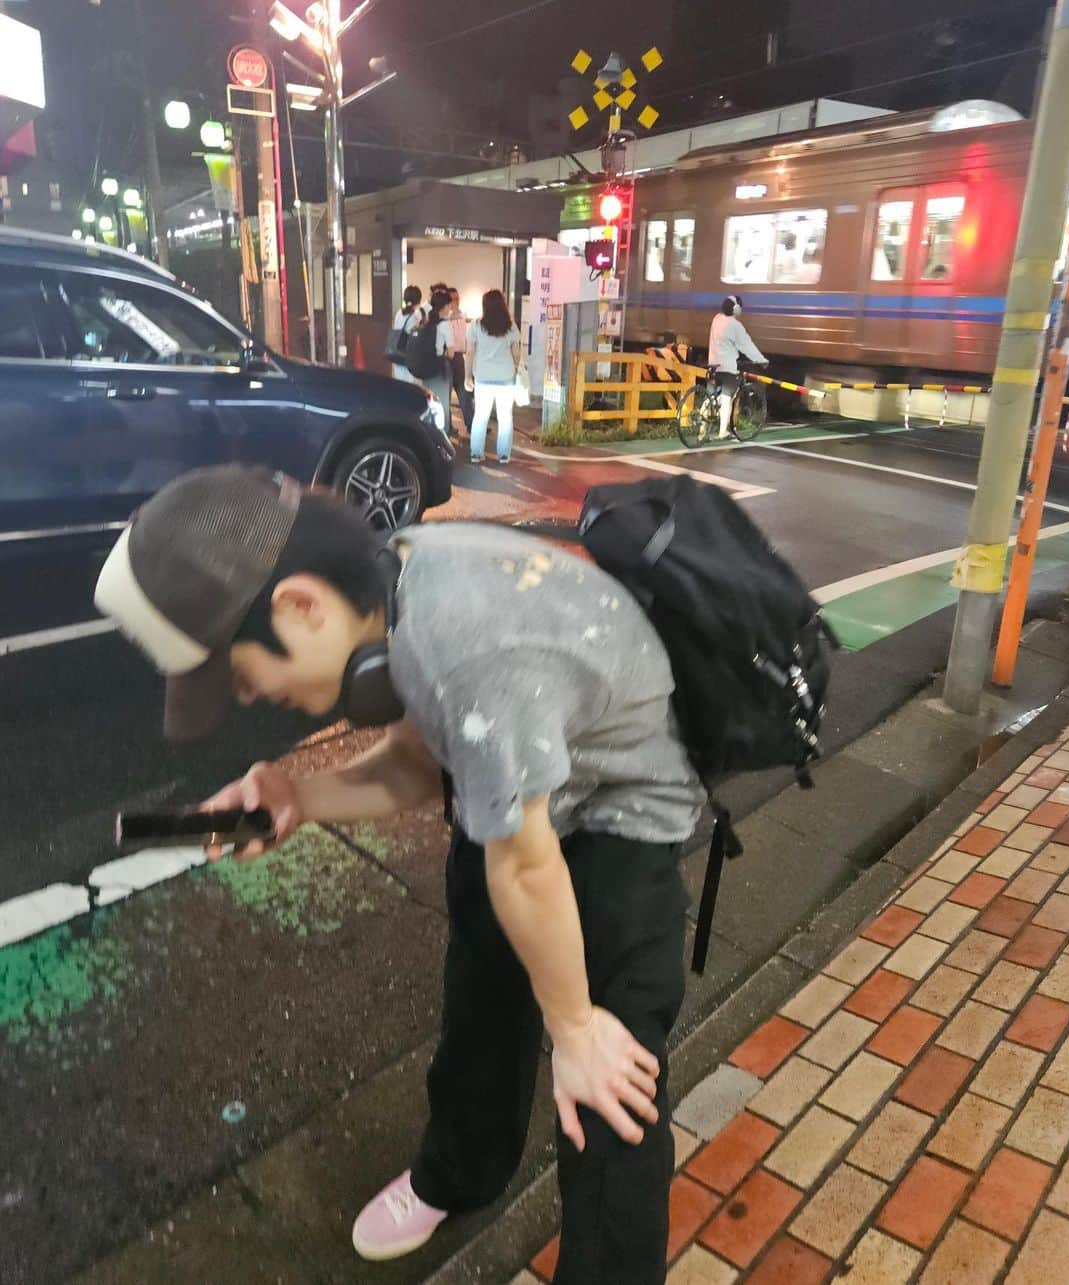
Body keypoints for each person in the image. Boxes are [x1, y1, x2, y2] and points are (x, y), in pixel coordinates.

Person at [93, 464, 706, 1285]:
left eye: (244, 677)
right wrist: (297, 796)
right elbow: (423, 763)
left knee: (607, 1080)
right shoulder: (400, 578)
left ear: (300, 605)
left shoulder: (464, 643)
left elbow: (526, 869)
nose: (256, 698)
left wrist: (575, 1025)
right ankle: (461, 1171)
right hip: (524, 800)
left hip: (621, 813)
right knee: (482, 996)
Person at [466, 289, 521, 465]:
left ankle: (476, 453)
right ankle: (503, 455)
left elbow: (470, 352)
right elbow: (516, 352)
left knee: (480, 416)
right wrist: (517, 368)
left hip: (483, 377)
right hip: (505, 376)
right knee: (505, 416)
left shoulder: (475, 325)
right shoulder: (511, 326)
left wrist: (468, 376)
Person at [707, 294, 767, 438]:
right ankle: (722, 432)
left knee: (709, 396)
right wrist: (761, 360)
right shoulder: (735, 325)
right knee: (727, 397)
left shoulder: (716, 319)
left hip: (712, 365)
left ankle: (702, 431)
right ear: (736, 309)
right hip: (727, 367)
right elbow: (746, 346)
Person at [416, 287, 454, 437]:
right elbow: (451, 353)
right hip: (439, 368)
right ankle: (441, 439)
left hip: (425, 367)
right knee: (441, 405)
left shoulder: (426, 322)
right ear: (444, 307)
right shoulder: (445, 325)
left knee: (428, 404)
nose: (450, 309)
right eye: (449, 306)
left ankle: (426, 435)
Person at [445, 287, 474, 438]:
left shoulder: (462, 316)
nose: (456, 301)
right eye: (453, 299)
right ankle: (447, 426)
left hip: (459, 357)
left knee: (464, 393)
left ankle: (472, 424)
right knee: (447, 393)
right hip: (447, 357)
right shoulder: (445, 318)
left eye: (458, 298)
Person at [390, 285, 423, 384]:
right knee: (412, 388)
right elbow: (416, 337)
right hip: (409, 357)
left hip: (397, 355)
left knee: (400, 385)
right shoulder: (416, 315)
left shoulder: (399, 313)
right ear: (419, 300)